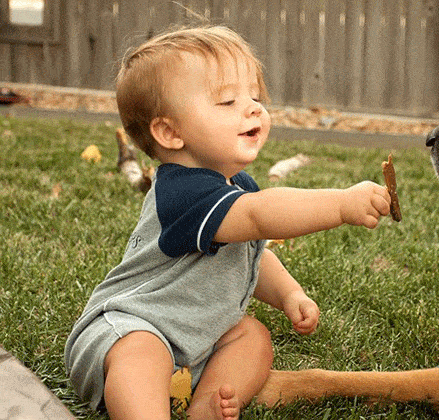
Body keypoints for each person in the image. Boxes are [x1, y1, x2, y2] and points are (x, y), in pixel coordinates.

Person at [64, 25, 391, 420]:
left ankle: (204, 408)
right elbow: (260, 214)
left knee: (252, 337)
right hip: (121, 333)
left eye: (255, 96)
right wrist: (340, 204)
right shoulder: (181, 191)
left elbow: (253, 255)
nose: (253, 108)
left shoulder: (237, 188)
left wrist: (289, 294)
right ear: (170, 132)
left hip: (192, 346)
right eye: (227, 101)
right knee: (141, 351)